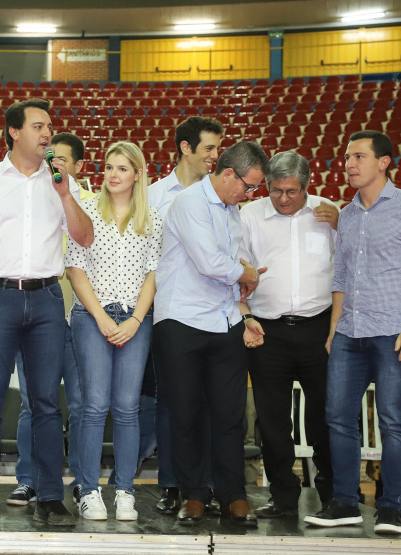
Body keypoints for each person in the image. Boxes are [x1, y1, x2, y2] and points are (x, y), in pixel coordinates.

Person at [0, 99, 93, 526]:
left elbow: (84, 238)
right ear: (14, 132)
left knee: (48, 402)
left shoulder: (62, 182)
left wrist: (66, 193)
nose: (47, 133)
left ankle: (50, 495)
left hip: (48, 298)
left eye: (49, 126)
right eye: (37, 126)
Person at [304, 131, 401, 535]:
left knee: (393, 421)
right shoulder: (348, 213)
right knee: (337, 417)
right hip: (350, 333)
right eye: (347, 157)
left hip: (395, 333)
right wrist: (334, 330)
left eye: (359, 156)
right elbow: (341, 277)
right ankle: (345, 502)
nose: (349, 164)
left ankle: (391, 507)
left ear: (384, 162)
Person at [153, 141, 270, 527]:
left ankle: (233, 495)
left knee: (229, 416)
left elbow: (229, 268)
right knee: (186, 414)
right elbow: (210, 263)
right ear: (227, 174)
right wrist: (248, 273)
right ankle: (194, 495)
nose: (251, 195)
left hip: (224, 321)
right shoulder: (189, 202)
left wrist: (243, 308)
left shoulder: (232, 211)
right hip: (181, 321)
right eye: (249, 186)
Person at [66, 142, 163, 521]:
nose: (113, 174)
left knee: (127, 408)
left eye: (122, 168)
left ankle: (124, 489)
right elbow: (75, 269)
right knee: (93, 406)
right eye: (109, 167)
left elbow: (152, 275)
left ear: (137, 174)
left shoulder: (152, 218)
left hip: (136, 320)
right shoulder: (86, 211)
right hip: (92, 317)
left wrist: (136, 320)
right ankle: (89, 490)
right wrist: (102, 318)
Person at [239, 151, 338, 518]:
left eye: (292, 191)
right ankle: (282, 497)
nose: (283, 198)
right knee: (273, 419)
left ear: (307, 185)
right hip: (267, 330)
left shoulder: (328, 212)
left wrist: (342, 225)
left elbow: (349, 266)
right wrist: (245, 315)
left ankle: (334, 494)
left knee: (326, 417)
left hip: (319, 329)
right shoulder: (248, 216)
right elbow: (233, 271)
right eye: (276, 190)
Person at [145, 116, 224, 514]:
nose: (215, 156)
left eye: (217, 149)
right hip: (171, 311)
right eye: (208, 148)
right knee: (168, 402)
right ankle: (173, 483)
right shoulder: (156, 196)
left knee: (208, 402)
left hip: (213, 313)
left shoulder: (223, 195)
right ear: (185, 148)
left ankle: (203, 486)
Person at [7, 132, 90, 507]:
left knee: (81, 405)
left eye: (62, 161)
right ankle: (30, 478)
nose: (54, 166)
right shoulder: (32, 199)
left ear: (79, 167)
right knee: (34, 404)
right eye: (50, 159)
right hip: (39, 316)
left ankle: (81, 481)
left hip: (83, 321)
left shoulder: (90, 206)